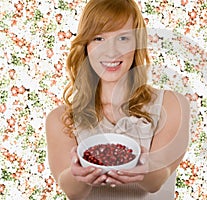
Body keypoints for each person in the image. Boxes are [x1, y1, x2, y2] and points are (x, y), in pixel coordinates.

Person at [45, 0, 190, 199]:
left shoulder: (172, 104)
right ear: (86, 45)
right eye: (98, 38)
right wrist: (79, 176)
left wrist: (142, 167)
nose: (111, 51)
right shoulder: (61, 118)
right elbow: (72, 191)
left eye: (123, 38)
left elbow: (157, 180)